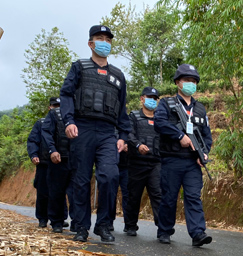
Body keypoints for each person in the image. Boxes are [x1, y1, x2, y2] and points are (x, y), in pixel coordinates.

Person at [59, 25, 132, 243]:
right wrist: (69, 121)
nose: (104, 43)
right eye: (99, 39)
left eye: (108, 40)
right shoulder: (79, 67)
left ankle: (104, 225)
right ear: (91, 43)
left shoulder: (118, 75)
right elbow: (66, 94)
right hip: (83, 128)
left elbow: (122, 108)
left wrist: (123, 136)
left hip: (108, 132)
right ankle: (81, 226)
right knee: (81, 179)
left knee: (110, 176)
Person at [154, 64, 213, 247]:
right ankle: (164, 230)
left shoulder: (201, 109)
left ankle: (197, 233)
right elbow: (159, 123)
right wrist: (179, 136)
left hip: (192, 162)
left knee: (193, 196)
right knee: (169, 197)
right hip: (172, 159)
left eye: (194, 81)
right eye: (187, 80)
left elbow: (206, 136)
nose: (191, 84)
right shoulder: (166, 104)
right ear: (178, 82)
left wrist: (203, 153)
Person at [124, 86, 162, 236]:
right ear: (142, 98)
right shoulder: (133, 116)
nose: (152, 100)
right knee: (134, 195)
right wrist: (138, 145)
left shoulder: (160, 119)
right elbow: (128, 133)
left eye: (155, 98)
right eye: (149, 97)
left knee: (158, 194)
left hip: (156, 162)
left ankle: (163, 228)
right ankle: (131, 225)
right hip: (136, 162)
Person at [41, 97, 75, 234]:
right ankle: (56, 222)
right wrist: (52, 150)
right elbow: (46, 133)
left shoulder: (76, 113)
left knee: (76, 193)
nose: (58, 106)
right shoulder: (54, 115)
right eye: (55, 105)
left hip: (74, 159)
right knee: (56, 192)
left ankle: (77, 222)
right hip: (58, 160)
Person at [27, 116, 49, 228]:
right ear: (49, 107)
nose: (56, 109)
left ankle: (59, 219)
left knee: (59, 192)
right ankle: (42, 219)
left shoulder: (66, 121)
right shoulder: (41, 123)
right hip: (43, 162)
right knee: (42, 192)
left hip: (60, 162)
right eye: (54, 106)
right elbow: (33, 140)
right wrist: (34, 155)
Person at [110, 141, 129, 232]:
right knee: (110, 194)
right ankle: (108, 222)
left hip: (127, 165)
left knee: (128, 195)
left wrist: (129, 144)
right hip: (112, 164)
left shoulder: (129, 127)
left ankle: (129, 223)